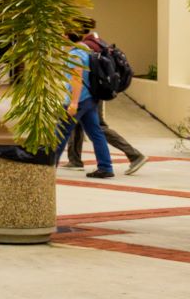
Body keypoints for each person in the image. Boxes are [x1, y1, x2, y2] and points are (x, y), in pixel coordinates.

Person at [64, 19, 147, 174]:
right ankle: (75, 160)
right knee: (79, 124)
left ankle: (134, 155)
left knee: (98, 128)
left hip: (89, 94)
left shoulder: (85, 46)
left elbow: (79, 76)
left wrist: (74, 100)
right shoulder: (95, 42)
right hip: (90, 92)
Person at [62, 24, 116, 179]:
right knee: (96, 133)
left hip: (80, 99)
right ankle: (105, 167)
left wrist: (73, 102)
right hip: (90, 98)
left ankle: (46, 166)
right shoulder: (87, 48)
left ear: (67, 36)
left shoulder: (76, 53)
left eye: (62, 33)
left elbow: (77, 78)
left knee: (60, 133)